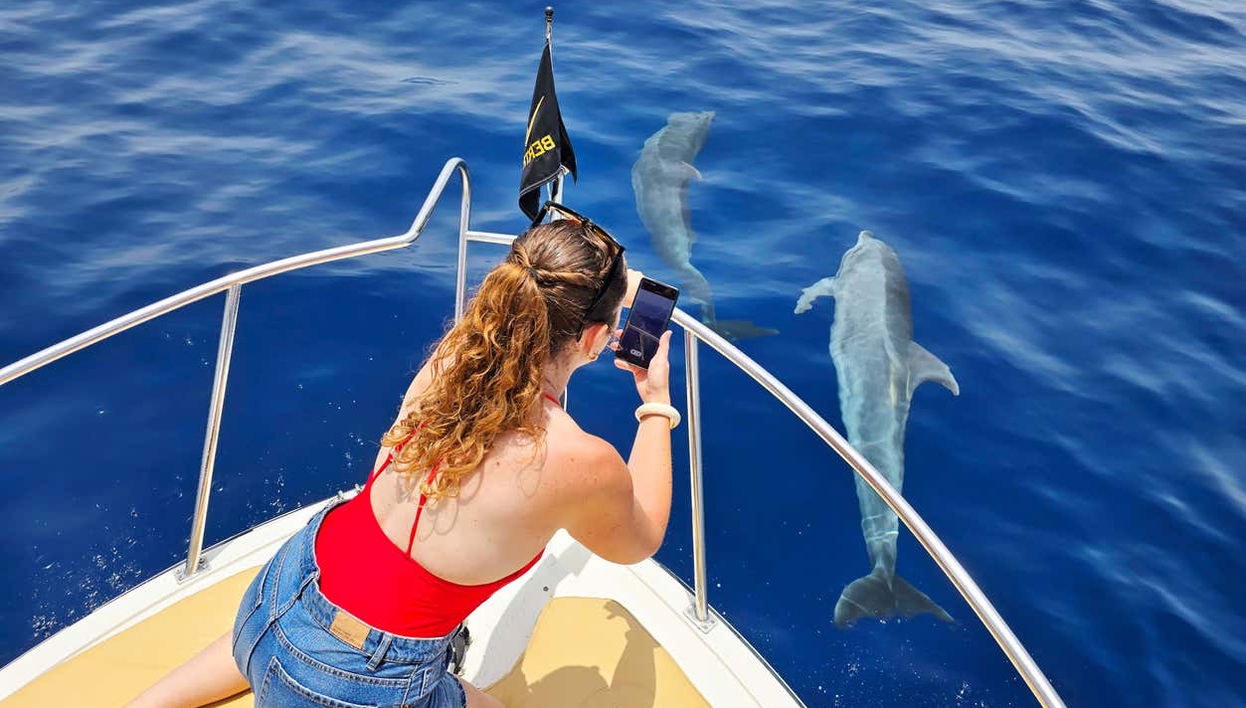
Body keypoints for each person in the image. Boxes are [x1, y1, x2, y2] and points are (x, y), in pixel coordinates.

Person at [123, 205, 677, 708]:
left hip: (279, 591)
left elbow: (535, 291)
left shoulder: (456, 357)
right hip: (351, 680)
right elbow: (641, 539)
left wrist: (593, 281)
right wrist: (656, 405)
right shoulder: (578, 459)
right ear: (597, 337)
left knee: (283, 647)